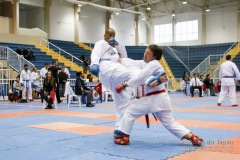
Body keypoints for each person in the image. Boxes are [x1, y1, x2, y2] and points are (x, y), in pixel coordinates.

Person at [114, 45, 203, 146]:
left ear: (154, 56)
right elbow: (134, 63)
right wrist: (120, 60)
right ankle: (193, 137)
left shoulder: (153, 64)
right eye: (145, 52)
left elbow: (140, 76)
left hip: (153, 99)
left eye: (148, 53)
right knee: (170, 123)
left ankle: (124, 138)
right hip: (162, 99)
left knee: (129, 112)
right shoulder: (149, 64)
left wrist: (124, 84)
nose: (145, 54)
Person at [90, 28, 143, 138]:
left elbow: (124, 57)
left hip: (114, 76)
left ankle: (118, 129)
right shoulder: (102, 43)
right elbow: (95, 53)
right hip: (106, 67)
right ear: (104, 35)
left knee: (124, 100)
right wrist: (94, 63)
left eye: (113, 35)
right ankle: (148, 78)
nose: (111, 36)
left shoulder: (115, 49)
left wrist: (118, 45)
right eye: (109, 34)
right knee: (131, 71)